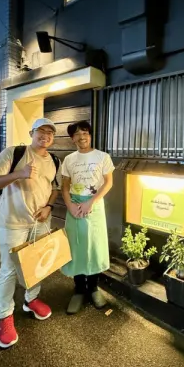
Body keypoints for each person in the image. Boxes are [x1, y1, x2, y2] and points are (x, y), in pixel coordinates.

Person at [0, 118, 61, 349]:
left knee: (36, 265)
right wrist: (19, 174)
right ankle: (4, 317)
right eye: (41, 131)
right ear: (32, 133)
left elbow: (54, 190)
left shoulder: (55, 160)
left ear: (53, 138)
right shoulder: (13, 153)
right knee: (9, 270)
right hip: (13, 223)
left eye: (49, 132)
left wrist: (48, 207)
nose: (45, 135)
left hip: (38, 223)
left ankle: (31, 299)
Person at [59, 120, 114, 314]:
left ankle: (93, 287)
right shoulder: (69, 160)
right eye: (77, 133)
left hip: (94, 206)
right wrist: (70, 206)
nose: (82, 136)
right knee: (76, 246)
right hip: (73, 205)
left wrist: (91, 202)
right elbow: (64, 186)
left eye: (85, 132)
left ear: (90, 135)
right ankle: (79, 289)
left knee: (94, 245)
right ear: (72, 138)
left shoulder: (103, 157)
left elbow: (108, 183)